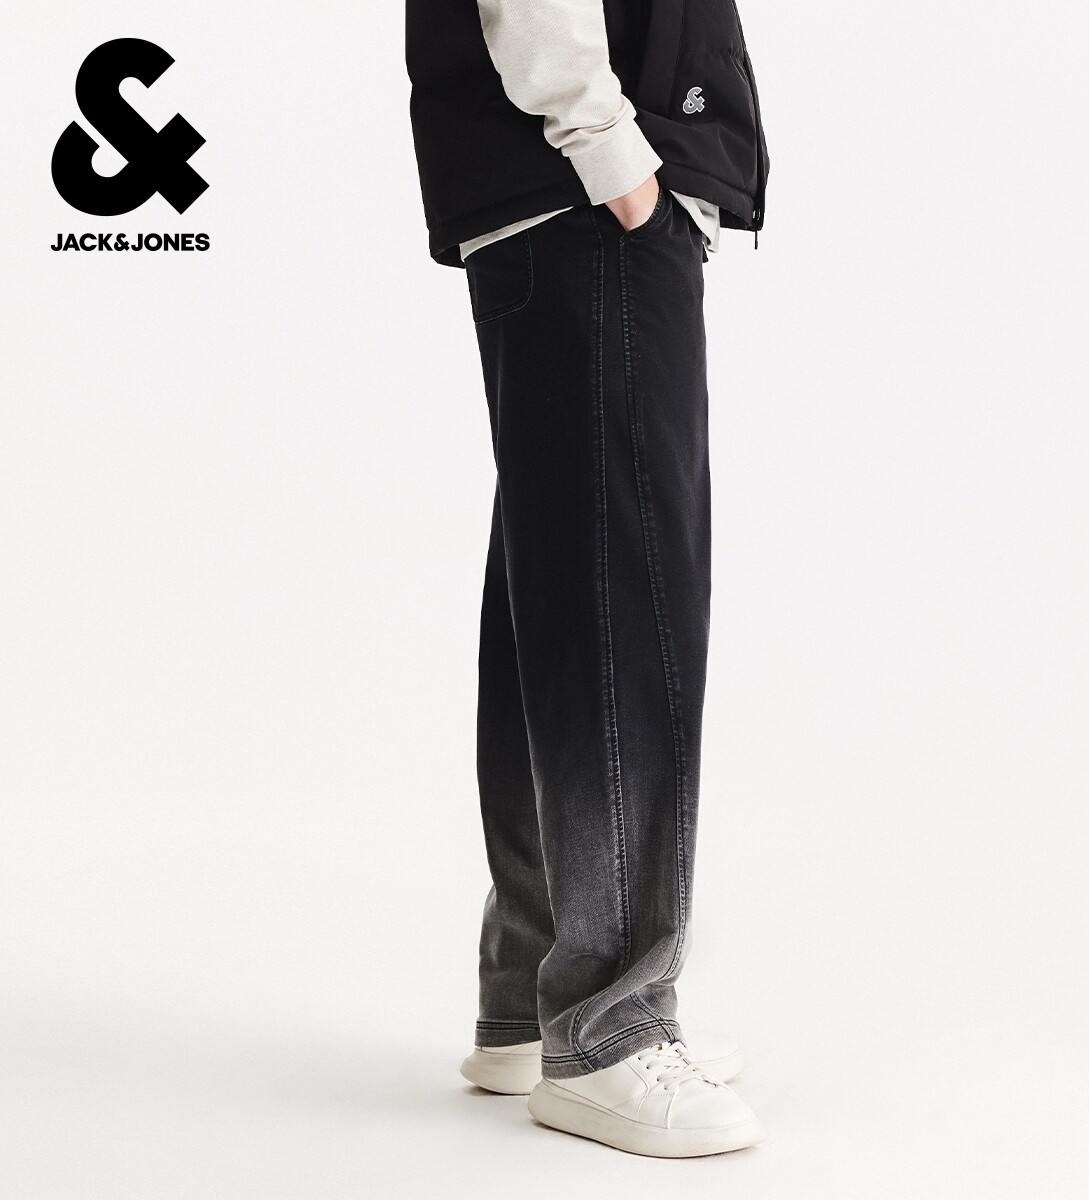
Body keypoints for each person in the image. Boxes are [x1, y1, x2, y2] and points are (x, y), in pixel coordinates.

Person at [406, 0, 769, 1157]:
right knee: (628, 588)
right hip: (587, 191)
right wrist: (618, 159)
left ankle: (535, 992)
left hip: (555, 192)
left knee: (563, 581)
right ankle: (609, 1024)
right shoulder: (604, 174)